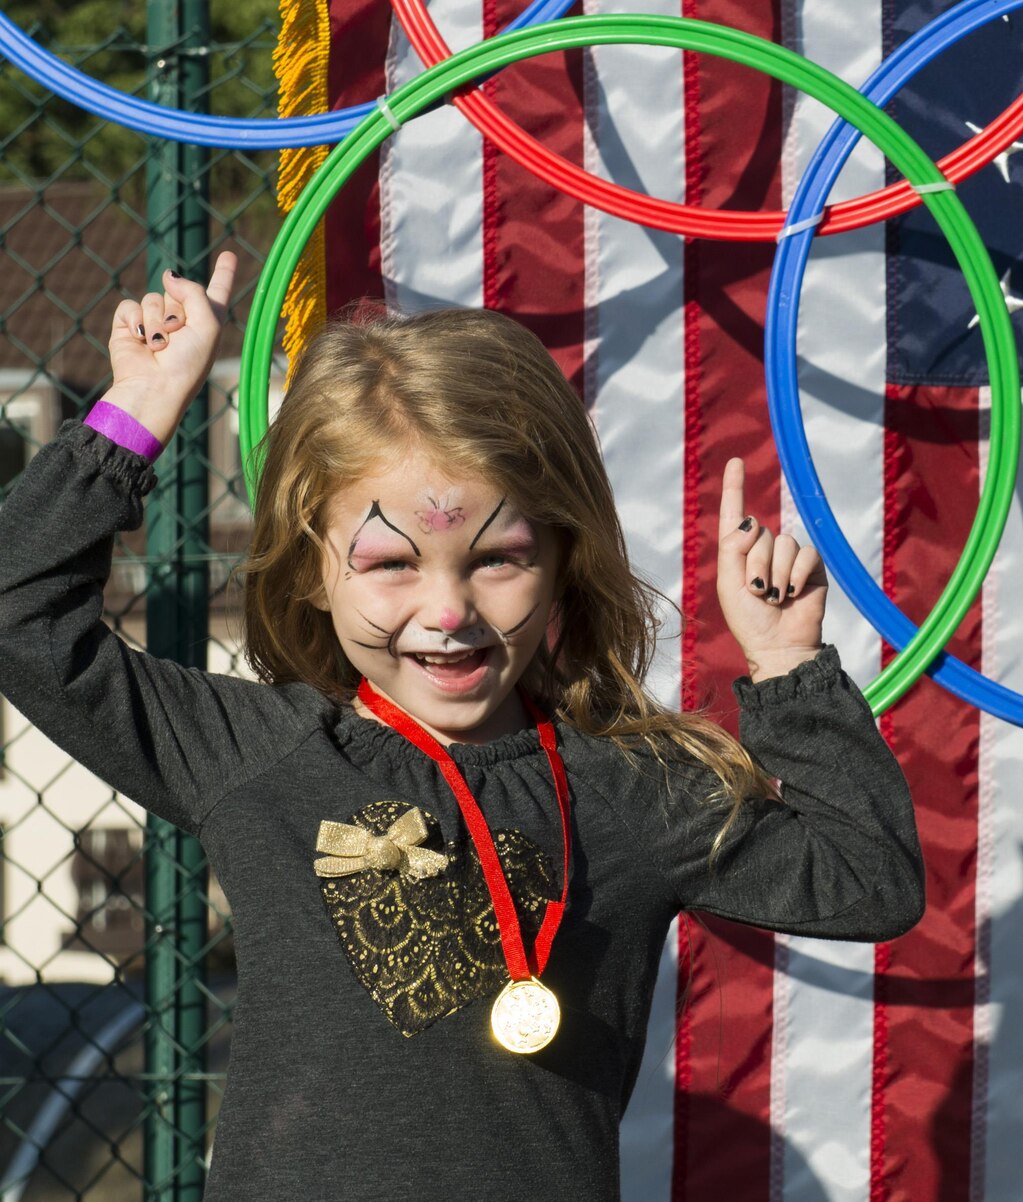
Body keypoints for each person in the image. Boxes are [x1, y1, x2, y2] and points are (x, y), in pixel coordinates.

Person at [0, 262, 924, 1202]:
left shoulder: (632, 789)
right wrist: (142, 404)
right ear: (314, 569)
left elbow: (869, 881)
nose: (447, 610)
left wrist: (789, 671)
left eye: (497, 559)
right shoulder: (252, 754)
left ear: (566, 560)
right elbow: (18, 611)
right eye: (391, 562)